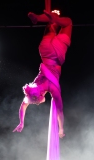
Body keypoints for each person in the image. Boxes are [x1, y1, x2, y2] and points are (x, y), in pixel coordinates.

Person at [13, 10, 72, 139]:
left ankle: (53, 17)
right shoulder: (34, 84)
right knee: (52, 24)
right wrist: (21, 122)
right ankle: (41, 18)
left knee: (68, 23)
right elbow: (23, 106)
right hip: (44, 50)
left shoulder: (52, 88)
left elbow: (60, 111)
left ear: (40, 95)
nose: (39, 103)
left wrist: (61, 129)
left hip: (56, 54)